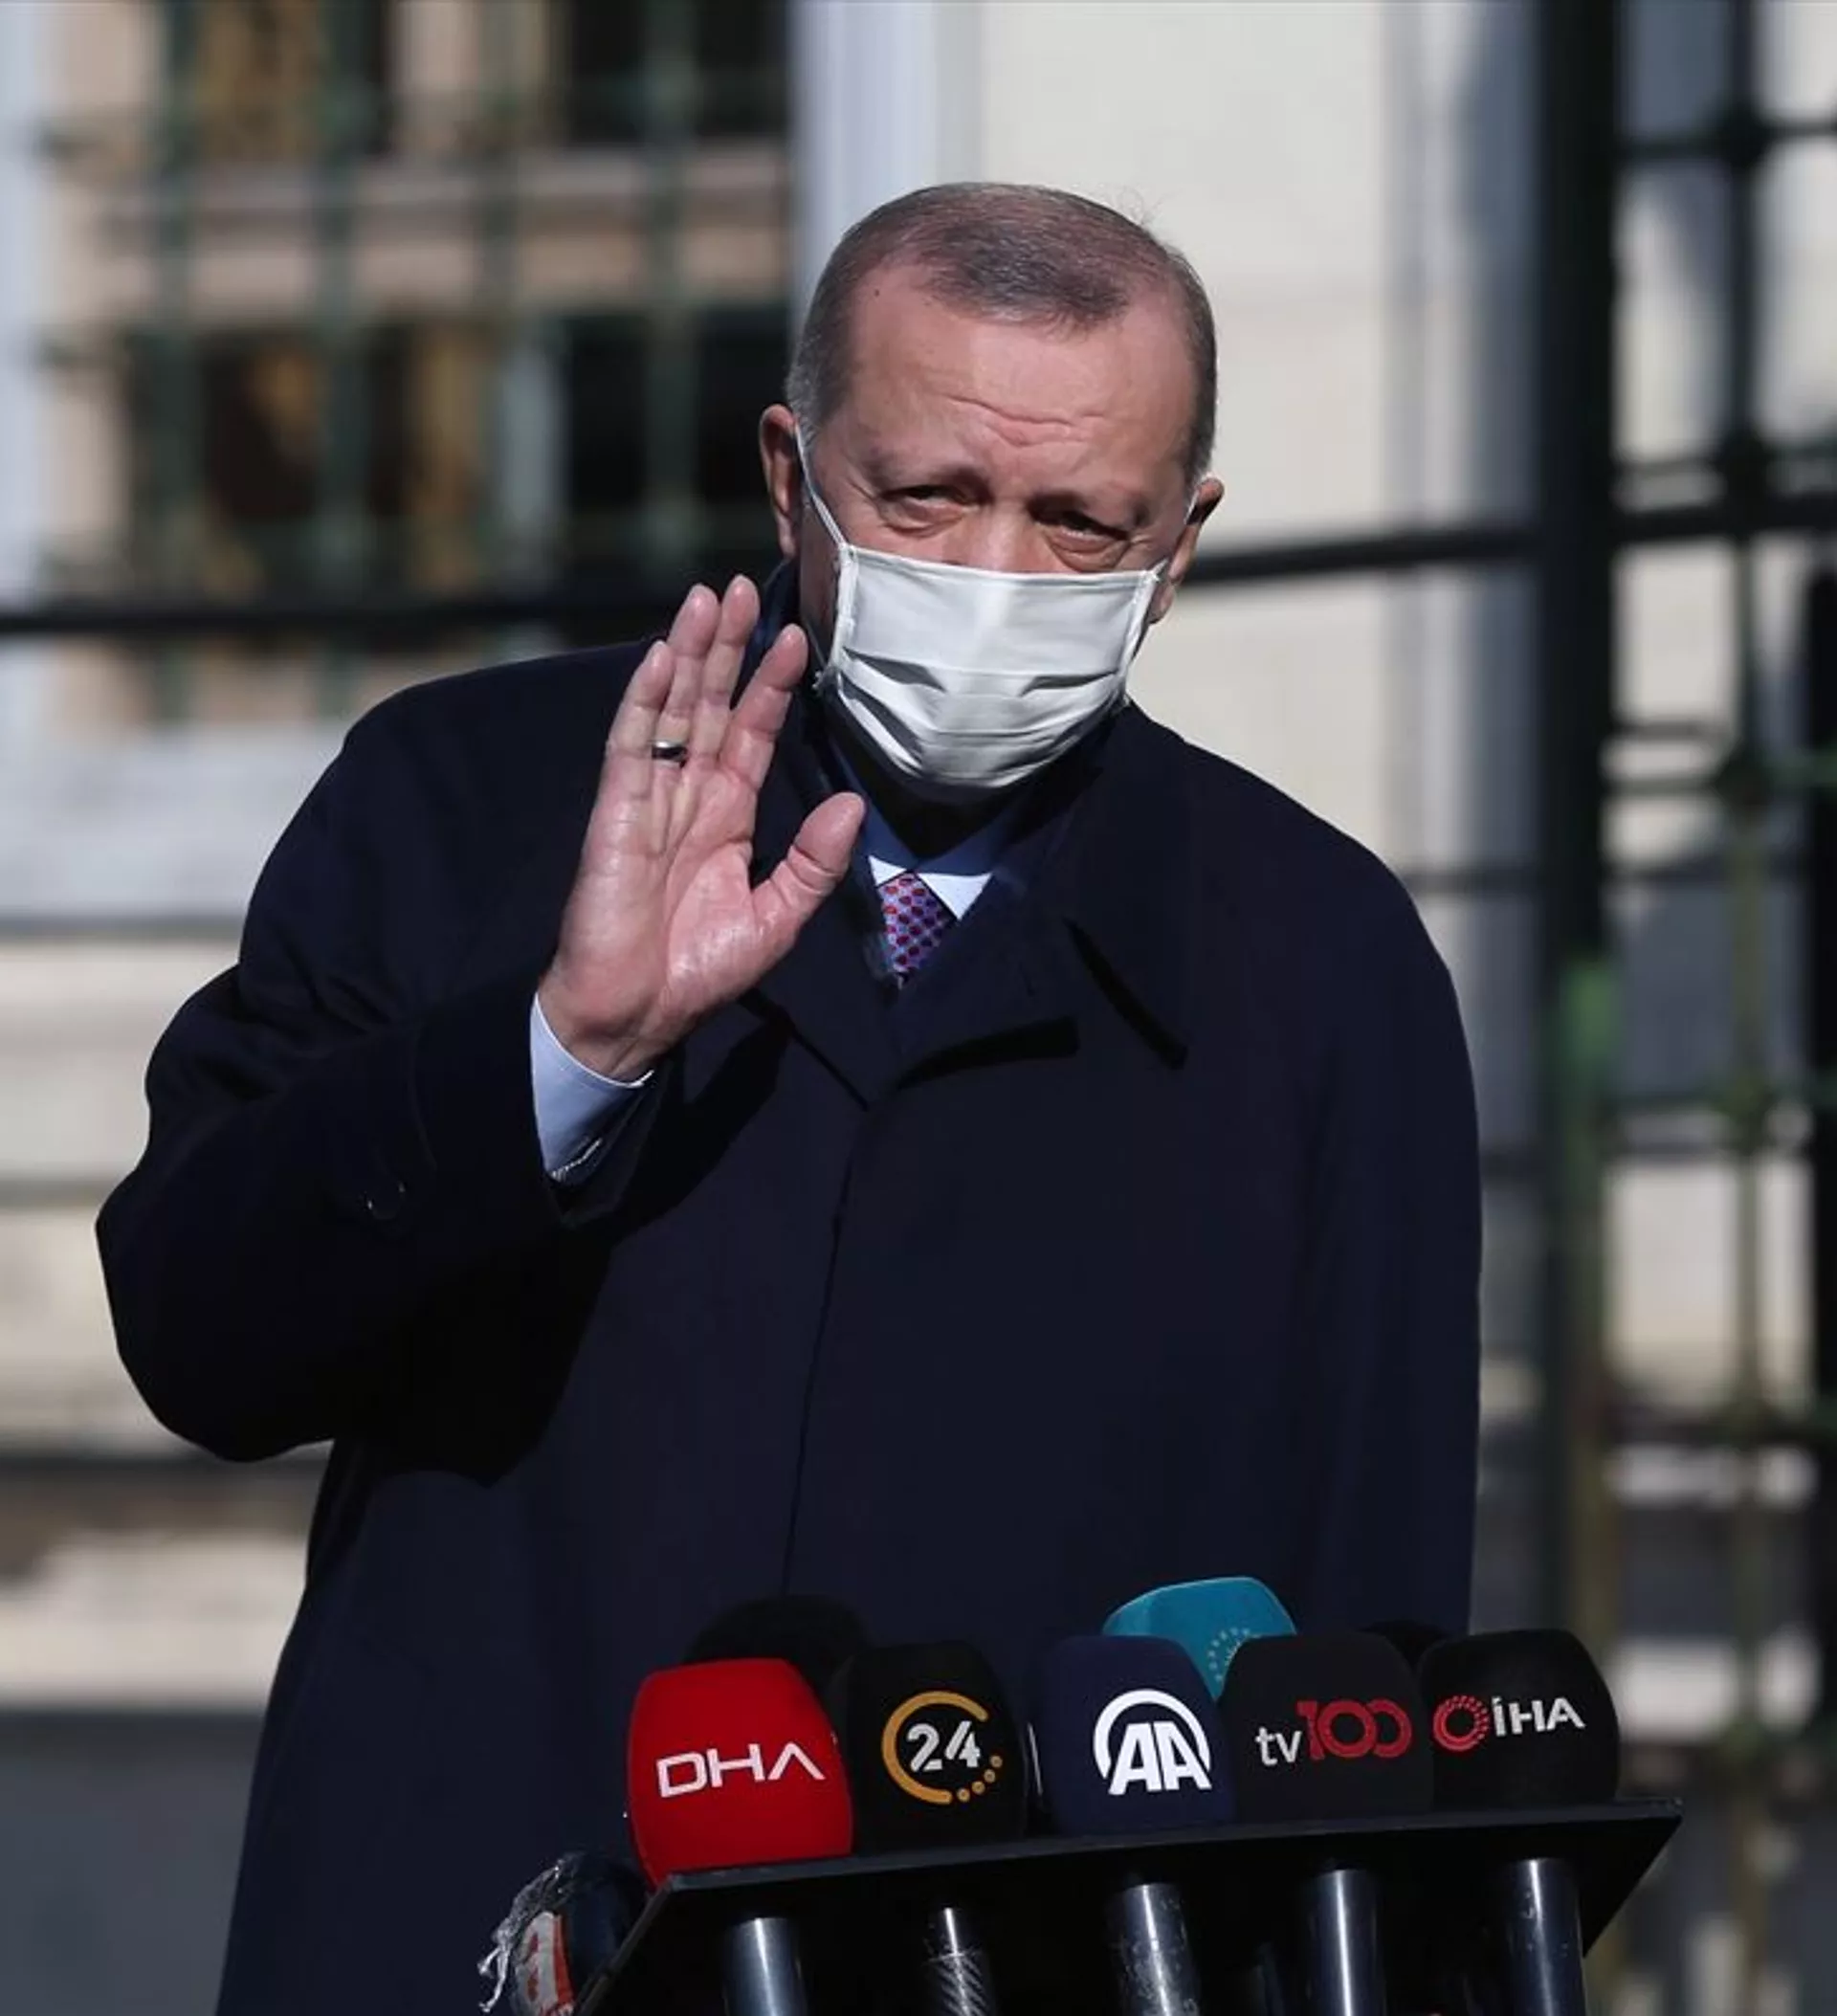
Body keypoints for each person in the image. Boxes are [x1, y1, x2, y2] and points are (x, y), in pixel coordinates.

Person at [99, 184, 1480, 2016]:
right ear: (789, 475)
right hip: (481, 1945)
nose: (995, 576)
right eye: (925, 498)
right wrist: (562, 1049)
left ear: (1180, 546)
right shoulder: (467, 803)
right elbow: (196, 1330)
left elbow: (1370, 1649)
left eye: (1079, 521)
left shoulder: (1318, 961)